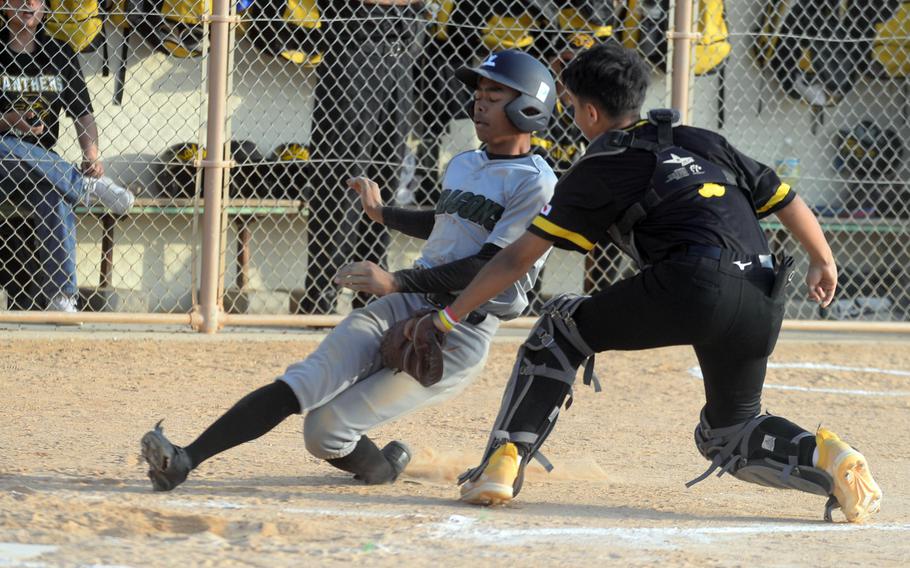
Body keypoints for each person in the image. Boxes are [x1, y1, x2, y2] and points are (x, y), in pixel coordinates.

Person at [430, 42, 881, 523]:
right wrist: (823, 260)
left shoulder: (599, 166)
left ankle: (504, 462)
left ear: (591, 111)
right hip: (763, 294)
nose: (570, 112)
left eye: (571, 103)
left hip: (693, 284)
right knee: (727, 431)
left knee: (560, 322)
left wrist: (448, 316)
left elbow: (517, 257)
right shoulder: (701, 140)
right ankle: (830, 457)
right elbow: (784, 197)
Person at [139, 50, 558, 491]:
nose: (480, 102)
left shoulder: (535, 182)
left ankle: (382, 467)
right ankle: (185, 460)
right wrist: (383, 214)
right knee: (307, 379)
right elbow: (446, 224)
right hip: (407, 303)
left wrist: (396, 279)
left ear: (528, 106)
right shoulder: (464, 163)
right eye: (478, 92)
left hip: (460, 331)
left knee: (323, 432)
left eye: (494, 94)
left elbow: (490, 266)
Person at [0, 0, 134, 312]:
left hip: (41, 169)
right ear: (4, 5)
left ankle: (62, 297)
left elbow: (83, 116)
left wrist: (91, 154)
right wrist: (7, 121)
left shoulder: (59, 54)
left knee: (53, 191)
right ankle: (84, 186)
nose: (30, 3)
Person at [301, 0, 426, 315]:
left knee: (384, 183)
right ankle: (321, 297)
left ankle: (370, 298)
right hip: (354, 56)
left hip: (401, 57)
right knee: (342, 184)